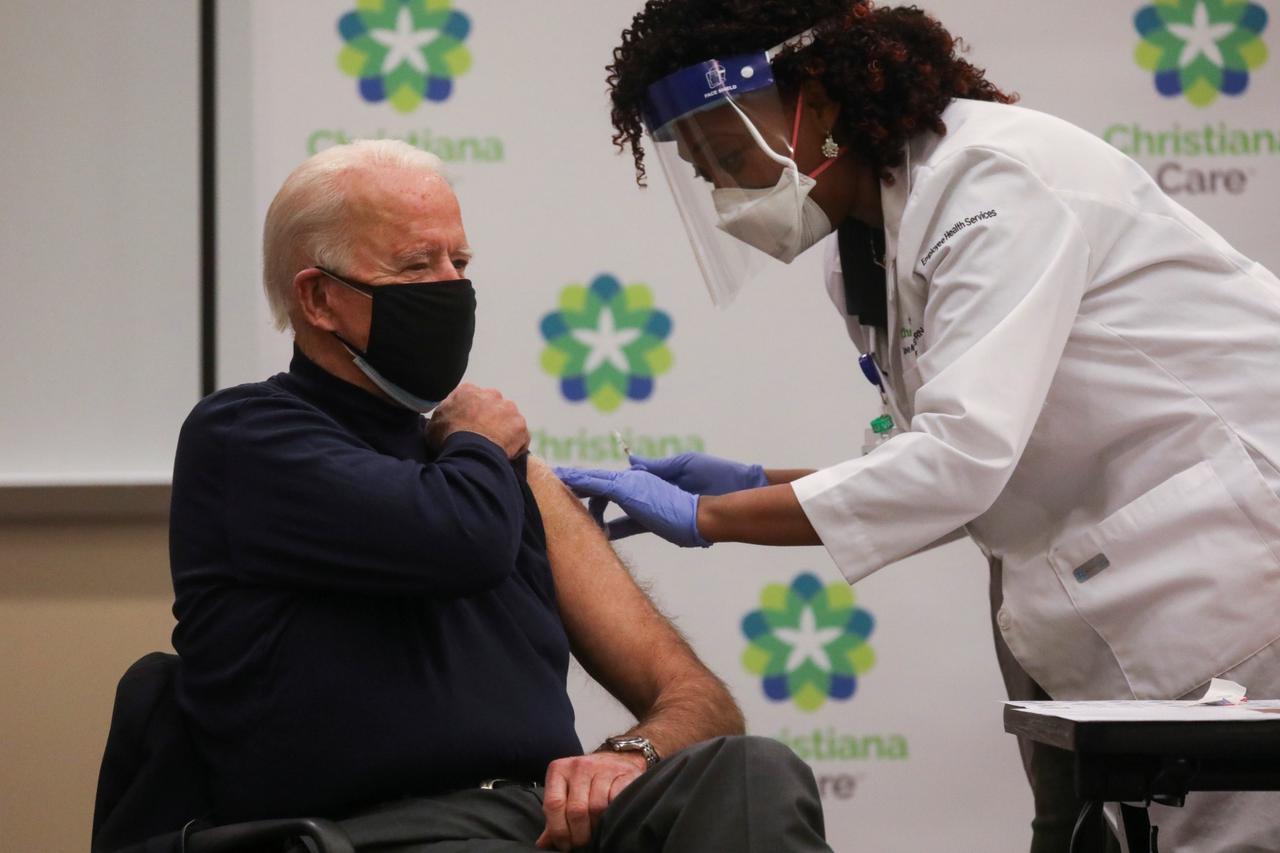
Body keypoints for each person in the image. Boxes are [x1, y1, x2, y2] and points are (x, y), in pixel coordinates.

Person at [556, 2, 1280, 851]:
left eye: (725, 152)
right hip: (1096, 604)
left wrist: (712, 518)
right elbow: (927, 461)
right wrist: (760, 483)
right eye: (704, 168)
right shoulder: (867, 244)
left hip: (1224, 578)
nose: (723, 190)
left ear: (816, 100)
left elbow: (959, 461)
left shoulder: (996, 181)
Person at [168, 139, 834, 853]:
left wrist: (626, 756)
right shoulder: (248, 438)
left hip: (543, 825)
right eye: (418, 265)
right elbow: (461, 541)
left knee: (750, 771)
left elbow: (696, 699)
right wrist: (483, 441)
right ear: (319, 297)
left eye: (461, 262)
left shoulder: (493, 469)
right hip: (373, 834)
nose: (451, 286)